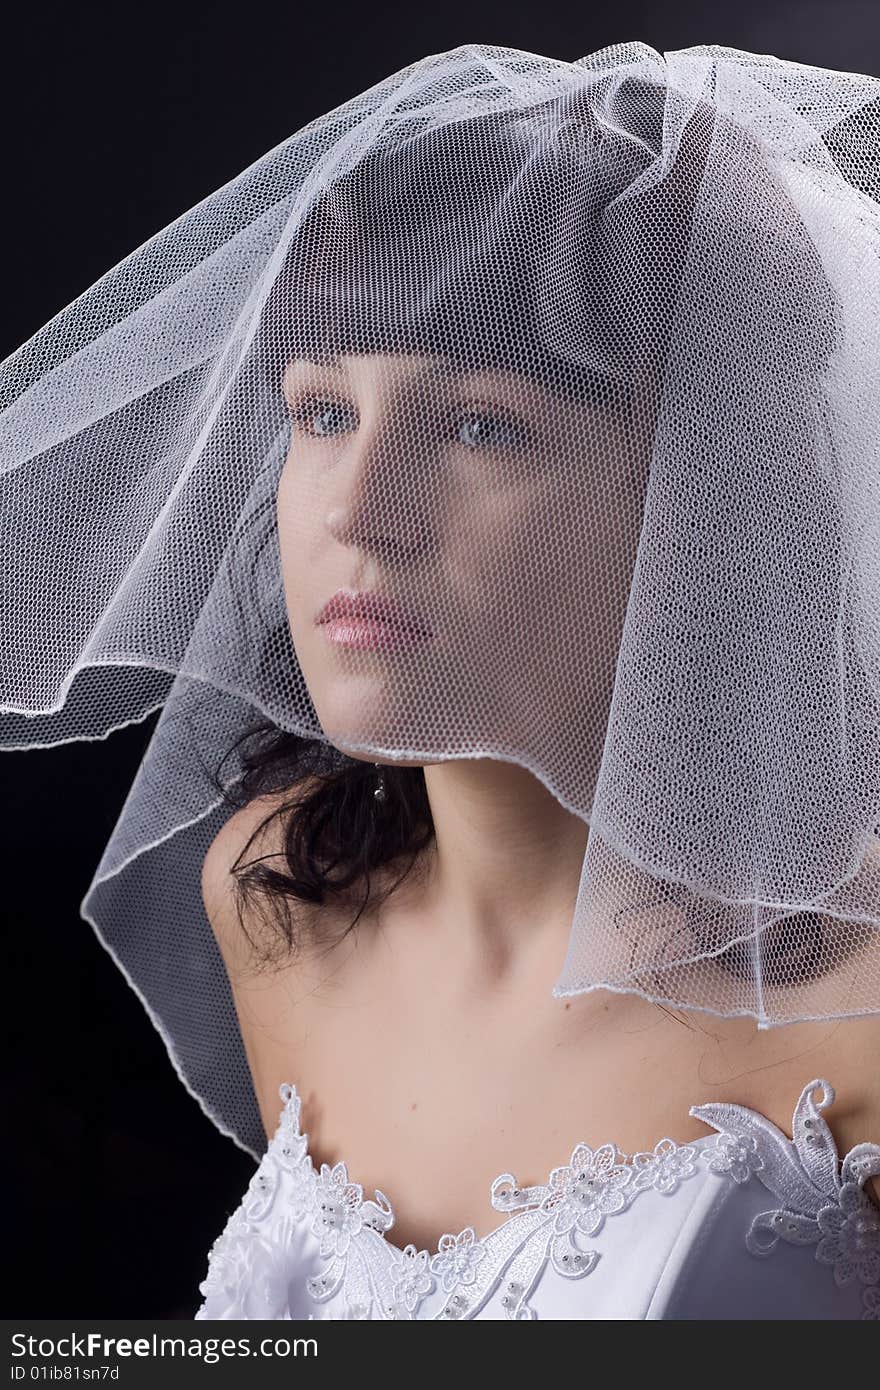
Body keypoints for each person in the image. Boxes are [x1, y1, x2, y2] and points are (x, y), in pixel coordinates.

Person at [2, 40, 879, 1320]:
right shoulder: (279, 899)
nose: (356, 510)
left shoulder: (857, 1002)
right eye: (320, 412)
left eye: (478, 424)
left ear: (695, 498)